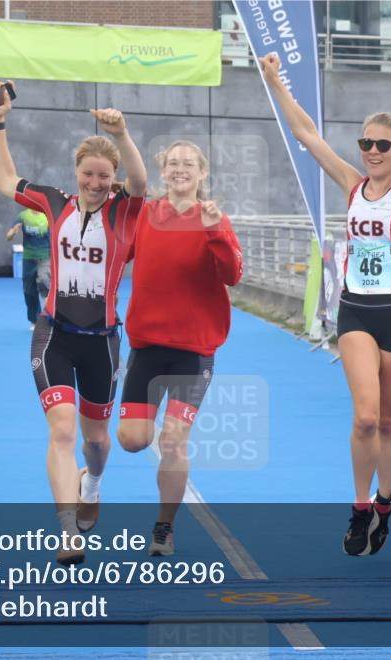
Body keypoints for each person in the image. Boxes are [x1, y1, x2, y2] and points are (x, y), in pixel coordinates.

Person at [260, 52, 391, 556]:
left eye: (382, 145)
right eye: (366, 143)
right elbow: (307, 134)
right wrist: (275, 82)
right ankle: (360, 508)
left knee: (390, 419)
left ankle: (386, 501)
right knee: (364, 417)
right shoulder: (352, 184)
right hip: (357, 310)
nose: (372, 151)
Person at [0, 80, 148, 565]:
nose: (95, 183)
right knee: (61, 431)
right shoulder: (55, 202)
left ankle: (92, 484)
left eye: (104, 176)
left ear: (113, 178)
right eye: (88, 174)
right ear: (76, 173)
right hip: (54, 335)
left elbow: (141, 181)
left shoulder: (124, 211)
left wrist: (121, 134)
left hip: (102, 342)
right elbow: (5, 179)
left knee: (96, 441)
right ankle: (68, 530)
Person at [116, 141, 243, 556]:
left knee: (172, 440)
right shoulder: (146, 215)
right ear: (162, 171)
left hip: (194, 351)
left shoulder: (214, 217)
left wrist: (215, 230)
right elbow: (115, 256)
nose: (180, 169)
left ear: (202, 173)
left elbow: (233, 274)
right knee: (132, 439)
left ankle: (164, 527)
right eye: (173, 163)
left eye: (189, 163)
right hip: (147, 347)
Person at [5, 208, 50, 329]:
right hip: (29, 258)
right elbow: (8, 236)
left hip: (46, 257)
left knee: (43, 281)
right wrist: (13, 232)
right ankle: (35, 320)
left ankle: (50, 315)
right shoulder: (23, 216)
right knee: (29, 291)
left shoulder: (48, 215)